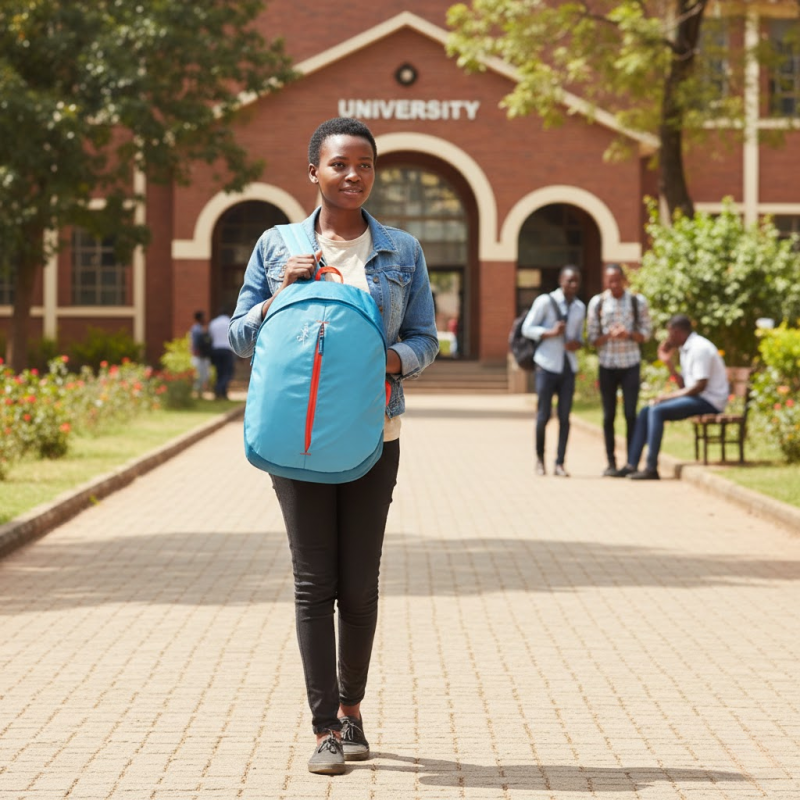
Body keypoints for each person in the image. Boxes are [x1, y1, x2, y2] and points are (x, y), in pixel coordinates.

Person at [228, 117, 438, 775]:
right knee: (314, 581)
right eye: (340, 164)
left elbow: (427, 337)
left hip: (377, 433)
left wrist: (390, 362)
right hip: (296, 437)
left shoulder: (400, 250)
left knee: (361, 583)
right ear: (313, 171)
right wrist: (277, 296)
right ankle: (323, 727)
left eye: (365, 166)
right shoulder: (274, 245)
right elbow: (236, 336)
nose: (354, 176)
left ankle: (352, 711)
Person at [619, 314, 728, 480]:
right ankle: (631, 464)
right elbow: (685, 386)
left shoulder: (699, 348)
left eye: (670, 333)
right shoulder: (685, 349)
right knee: (646, 411)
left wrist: (667, 397)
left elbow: (700, 386)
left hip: (710, 401)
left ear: (677, 332)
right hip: (698, 398)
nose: (668, 338)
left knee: (657, 411)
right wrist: (668, 363)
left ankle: (651, 468)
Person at [587, 264, 652, 477]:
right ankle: (611, 462)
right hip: (607, 364)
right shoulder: (597, 303)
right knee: (608, 416)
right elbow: (592, 339)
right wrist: (608, 336)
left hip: (630, 363)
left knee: (630, 414)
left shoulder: (637, 301)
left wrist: (629, 334)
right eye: (610, 280)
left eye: (617, 280)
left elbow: (646, 334)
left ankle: (631, 463)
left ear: (624, 280)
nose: (614, 284)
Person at [521, 266, 586, 477]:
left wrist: (577, 344)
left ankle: (560, 462)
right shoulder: (545, 302)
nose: (573, 285)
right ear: (561, 281)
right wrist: (549, 333)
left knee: (565, 417)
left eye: (576, 281)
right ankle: (539, 460)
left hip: (568, 366)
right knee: (544, 415)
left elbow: (579, 337)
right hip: (546, 365)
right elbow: (527, 328)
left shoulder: (579, 307)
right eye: (569, 281)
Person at [208, 307, 235, 399]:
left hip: (215, 349)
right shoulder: (230, 321)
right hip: (227, 349)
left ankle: (222, 392)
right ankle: (219, 388)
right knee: (227, 372)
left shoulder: (213, 323)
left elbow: (210, 337)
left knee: (219, 372)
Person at [189, 310, 211, 397]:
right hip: (199, 355)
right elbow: (197, 343)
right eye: (203, 316)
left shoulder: (200, 328)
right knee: (200, 375)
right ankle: (198, 393)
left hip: (202, 355)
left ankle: (200, 392)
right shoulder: (197, 329)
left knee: (204, 375)